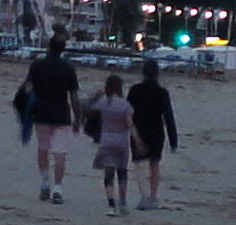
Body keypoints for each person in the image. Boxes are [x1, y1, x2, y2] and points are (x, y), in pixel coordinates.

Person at [13, 39, 82, 201]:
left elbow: (27, 88)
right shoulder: (68, 68)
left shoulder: (37, 65)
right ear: (63, 49)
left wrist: (22, 108)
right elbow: (73, 96)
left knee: (43, 149)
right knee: (60, 155)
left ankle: (45, 183)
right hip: (61, 115)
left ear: (48, 48)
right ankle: (58, 189)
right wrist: (78, 118)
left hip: (41, 114)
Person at [125, 61, 178, 206]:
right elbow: (168, 117)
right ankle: (153, 197)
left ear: (143, 73)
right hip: (156, 132)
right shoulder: (162, 93)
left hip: (139, 130)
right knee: (154, 164)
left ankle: (143, 196)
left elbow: (127, 112)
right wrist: (173, 140)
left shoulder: (135, 90)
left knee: (139, 164)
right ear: (157, 74)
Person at [87, 76, 138, 213]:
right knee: (122, 172)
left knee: (109, 174)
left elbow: (91, 109)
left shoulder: (104, 102)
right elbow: (130, 124)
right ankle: (123, 203)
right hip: (122, 142)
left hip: (107, 140)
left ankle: (111, 205)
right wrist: (138, 140)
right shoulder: (125, 104)